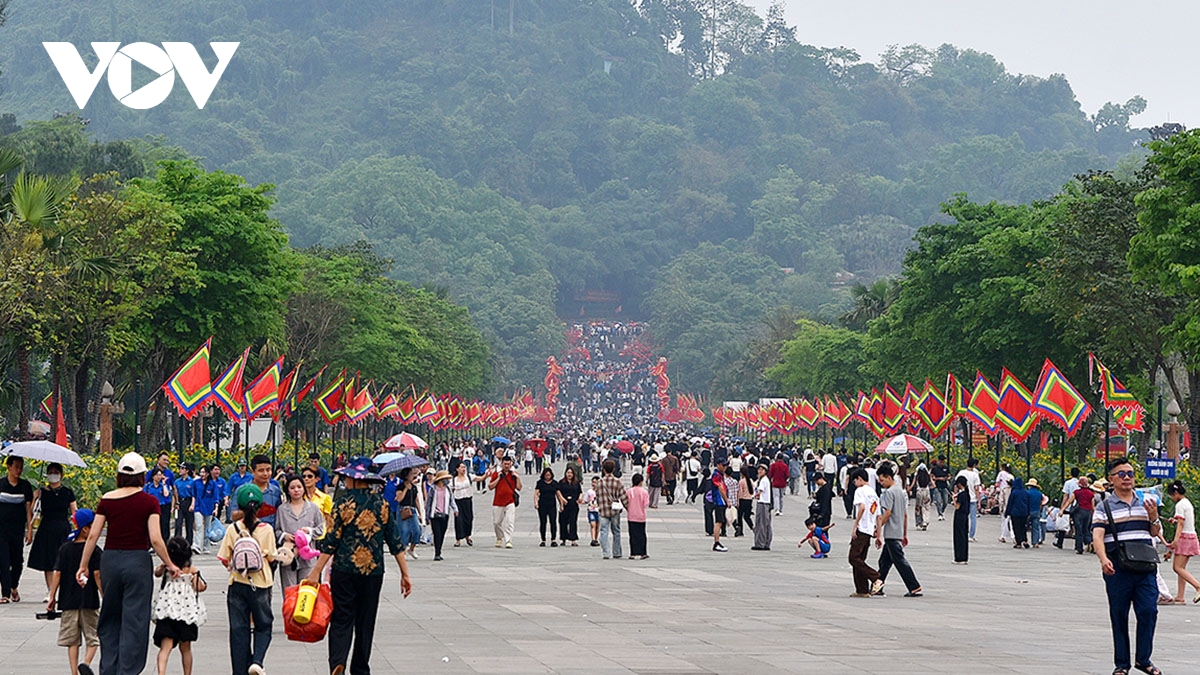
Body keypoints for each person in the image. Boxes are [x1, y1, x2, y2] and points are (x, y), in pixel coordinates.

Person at [305, 457, 413, 675]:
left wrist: (316, 571)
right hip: (372, 572)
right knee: (366, 621)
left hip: (344, 570)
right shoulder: (381, 504)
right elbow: (395, 541)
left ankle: (338, 660)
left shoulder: (342, 504)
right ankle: (360, 668)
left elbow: (331, 541)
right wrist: (405, 574)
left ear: (354, 479)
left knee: (342, 618)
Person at [78, 452, 180, 675]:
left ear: (119, 475)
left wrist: (83, 565)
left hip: (111, 561)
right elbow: (155, 538)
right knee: (135, 619)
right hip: (137, 561)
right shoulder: (149, 502)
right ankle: (128, 671)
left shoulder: (107, 499)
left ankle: (108, 669)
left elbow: (94, 535)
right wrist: (170, 564)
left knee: (111, 615)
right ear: (143, 476)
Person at [1092, 458, 1162, 675]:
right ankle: (1122, 664)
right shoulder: (1104, 506)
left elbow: (1154, 532)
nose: (1127, 478)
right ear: (1111, 480)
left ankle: (1144, 659)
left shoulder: (1146, 501)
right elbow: (1097, 534)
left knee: (1148, 611)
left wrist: (1154, 517)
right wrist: (1103, 559)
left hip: (1145, 566)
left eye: (1130, 473)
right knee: (1119, 614)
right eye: (1121, 474)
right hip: (1118, 566)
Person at [218, 484, 277, 675]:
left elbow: (224, 559)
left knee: (238, 631)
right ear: (260, 506)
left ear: (239, 507)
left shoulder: (233, 529)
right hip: (260, 584)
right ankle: (257, 662)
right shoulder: (266, 529)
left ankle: (240, 672)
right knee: (263, 625)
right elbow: (271, 558)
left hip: (237, 583)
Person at [46, 508, 101, 675]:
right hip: (89, 600)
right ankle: (85, 662)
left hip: (68, 601)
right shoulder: (95, 550)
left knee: (72, 641)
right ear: (85, 529)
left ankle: (74, 672)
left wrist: (52, 596)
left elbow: (57, 573)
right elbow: (97, 574)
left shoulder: (65, 549)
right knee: (94, 637)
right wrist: (104, 593)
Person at [153, 537, 206, 675]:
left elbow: (156, 573)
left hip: (168, 609)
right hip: (186, 612)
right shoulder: (191, 570)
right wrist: (195, 575)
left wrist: (166, 564)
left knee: (165, 646)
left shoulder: (167, 569)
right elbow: (200, 587)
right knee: (186, 647)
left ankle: (161, 673)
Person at [29, 462, 77, 602]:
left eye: (56, 472)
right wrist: (35, 497)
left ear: (61, 474)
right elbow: (33, 512)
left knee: (63, 560)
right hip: (46, 528)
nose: (53, 475)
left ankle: (63, 589)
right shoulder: (42, 492)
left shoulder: (68, 492)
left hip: (63, 527)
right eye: (51, 472)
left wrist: (77, 529)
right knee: (48, 561)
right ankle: (51, 591)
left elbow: (74, 511)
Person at [875, 464, 921, 597]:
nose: (881, 484)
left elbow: (887, 513)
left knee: (899, 561)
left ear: (889, 477)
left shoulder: (889, 493)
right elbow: (905, 515)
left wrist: (878, 528)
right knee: (884, 562)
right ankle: (878, 586)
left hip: (891, 532)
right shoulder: (901, 492)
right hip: (898, 531)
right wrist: (905, 533)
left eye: (882, 480)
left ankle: (914, 586)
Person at [276, 474, 325, 589]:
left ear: (303, 488)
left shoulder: (313, 508)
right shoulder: (282, 510)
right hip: (289, 556)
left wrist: (309, 532)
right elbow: (276, 530)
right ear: (287, 491)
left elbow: (321, 528)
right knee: (289, 591)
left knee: (307, 591)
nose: (296, 490)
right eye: (292, 488)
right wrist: (284, 536)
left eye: (299, 487)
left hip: (308, 557)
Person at [848, 469, 882, 598]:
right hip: (869, 531)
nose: (854, 483)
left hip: (862, 529)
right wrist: (879, 535)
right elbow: (879, 516)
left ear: (860, 479)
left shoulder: (860, 491)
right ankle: (862, 590)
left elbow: (861, 507)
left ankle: (876, 578)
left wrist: (855, 525)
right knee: (860, 560)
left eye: (855, 480)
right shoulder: (873, 493)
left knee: (853, 558)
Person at [1165, 480, 1200, 604]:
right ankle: (1180, 596)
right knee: (1182, 568)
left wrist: (1175, 541)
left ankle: (1198, 587)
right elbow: (1182, 520)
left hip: (1184, 538)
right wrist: (1174, 520)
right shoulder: (1187, 502)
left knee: (1177, 567)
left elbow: (1181, 524)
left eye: (1171, 495)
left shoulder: (1179, 505)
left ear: (1175, 493)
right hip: (1192, 536)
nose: (1171, 498)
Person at [231, 454, 282, 531]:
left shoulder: (275, 491)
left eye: (268, 470)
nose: (265, 474)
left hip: (269, 535)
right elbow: (233, 516)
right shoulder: (242, 491)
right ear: (253, 471)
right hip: (248, 535)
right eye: (261, 470)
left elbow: (279, 516)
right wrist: (250, 509)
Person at [595, 459, 628, 560]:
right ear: (613, 469)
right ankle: (617, 552)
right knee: (616, 531)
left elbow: (598, 496)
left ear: (604, 470)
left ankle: (606, 553)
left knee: (603, 531)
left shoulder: (600, 482)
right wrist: (628, 508)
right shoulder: (617, 482)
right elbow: (623, 497)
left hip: (603, 510)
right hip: (615, 510)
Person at [488, 455, 522, 548]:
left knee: (509, 521)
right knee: (496, 522)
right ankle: (499, 537)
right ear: (502, 464)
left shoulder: (513, 474)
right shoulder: (497, 474)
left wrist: (517, 478)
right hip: (498, 501)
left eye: (508, 464)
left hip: (510, 501)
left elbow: (519, 487)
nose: (507, 466)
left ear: (511, 464)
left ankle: (508, 540)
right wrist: (499, 478)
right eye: (505, 464)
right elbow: (490, 487)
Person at [1062, 476, 1097, 554]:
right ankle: (1090, 542)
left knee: (1078, 530)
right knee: (1086, 529)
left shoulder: (1077, 492)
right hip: (1088, 512)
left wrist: (1062, 510)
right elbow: (1092, 506)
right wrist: (1094, 515)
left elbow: (1069, 501)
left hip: (1079, 512)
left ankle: (1079, 548)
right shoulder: (1091, 494)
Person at [427, 470, 457, 561]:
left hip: (445, 514)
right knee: (437, 533)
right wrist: (427, 516)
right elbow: (429, 502)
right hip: (435, 514)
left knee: (442, 533)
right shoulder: (433, 489)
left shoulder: (447, 489)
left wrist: (455, 509)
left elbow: (451, 500)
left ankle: (439, 550)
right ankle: (437, 552)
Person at [954, 458, 982, 540]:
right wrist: (979, 500)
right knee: (973, 517)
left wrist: (955, 494)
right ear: (974, 465)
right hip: (972, 498)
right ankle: (971, 535)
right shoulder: (975, 475)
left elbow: (956, 484)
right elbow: (976, 488)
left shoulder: (961, 473)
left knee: (963, 516)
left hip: (962, 497)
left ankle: (963, 532)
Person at [451, 462, 477, 547]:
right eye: (461, 467)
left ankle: (467, 536)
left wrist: (487, 475)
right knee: (458, 520)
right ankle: (458, 539)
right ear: (457, 469)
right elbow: (450, 490)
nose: (463, 469)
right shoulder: (453, 480)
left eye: (464, 467)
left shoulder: (468, 477)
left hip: (467, 500)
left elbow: (479, 478)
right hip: (458, 501)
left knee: (469, 518)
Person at [145, 468, 174, 544]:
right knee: (152, 525)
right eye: (157, 475)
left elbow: (166, 494)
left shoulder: (163, 486)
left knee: (163, 525)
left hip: (162, 507)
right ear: (153, 476)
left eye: (160, 475)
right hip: (151, 507)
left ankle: (164, 542)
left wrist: (164, 484)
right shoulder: (148, 487)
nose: (159, 477)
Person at [173, 463, 196, 548]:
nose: (180, 470)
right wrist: (175, 503)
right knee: (178, 523)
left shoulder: (192, 482)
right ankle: (177, 541)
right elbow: (175, 494)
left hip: (188, 502)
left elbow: (194, 494)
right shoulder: (177, 482)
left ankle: (189, 542)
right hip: (180, 502)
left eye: (183, 468)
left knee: (189, 523)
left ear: (187, 471)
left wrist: (192, 504)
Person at [557, 467, 582, 547]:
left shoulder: (576, 483)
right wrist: (561, 501)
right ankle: (563, 539)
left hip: (574, 504)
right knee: (563, 522)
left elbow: (580, 492)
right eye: (568, 473)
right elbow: (558, 492)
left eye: (571, 473)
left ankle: (573, 539)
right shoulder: (561, 482)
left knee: (573, 522)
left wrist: (580, 498)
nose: (569, 474)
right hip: (564, 504)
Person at [627, 473, 650, 559]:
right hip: (641, 516)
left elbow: (626, 502)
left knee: (632, 535)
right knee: (642, 535)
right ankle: (643, 553)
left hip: (631, 516)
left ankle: (633, 553)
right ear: (641, 482)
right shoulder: (644, 492)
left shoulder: (629, 491)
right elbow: (646, 504)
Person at [535, 467, 559, 547]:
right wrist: (536, 503)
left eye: (549, 475)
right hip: (542, 504)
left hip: (552, 504)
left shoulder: (555, 483)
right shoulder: (540, 483)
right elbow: (536, 493)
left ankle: (553, 539)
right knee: (543, 522)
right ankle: (543, 540)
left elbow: (558, 494)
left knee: (553, 521)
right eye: (546, 475)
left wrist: (562, 503)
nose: (547, 477)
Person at [1005, 477, 1032, 549]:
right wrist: (1028, 512)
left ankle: (1018, 542)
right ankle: (1024, 540)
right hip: (1024, 512)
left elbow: (1010, 503)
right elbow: (1028, 503)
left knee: (1016, 527)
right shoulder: (1025, 492)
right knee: (1023, 527)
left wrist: (1007, 512)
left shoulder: (1014, 492)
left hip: (1015, 513)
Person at [752, 463, 773, 551]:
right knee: (766, 524)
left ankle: (760, 543)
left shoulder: (763, 480)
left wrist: (753, 496)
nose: (760, 471)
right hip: (766, 503)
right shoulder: (764, 480)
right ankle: (766, 542)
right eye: (759, 469)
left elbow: (759, 492)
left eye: (762, 470)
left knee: (761, 524)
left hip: (763, 503)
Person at [952, 475, 970, 564]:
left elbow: (957, 506)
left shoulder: (961, 495)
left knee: (958, 536)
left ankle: (958, 557)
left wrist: (954, 499)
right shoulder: (967, 494)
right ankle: (964, 557)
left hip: (959, 517)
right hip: (965, 517)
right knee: (964, 536)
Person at [735, 466, 755, 537]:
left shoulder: (741, 481)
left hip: (743, 500)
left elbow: (739, 493)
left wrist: (738, 502)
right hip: (749, 500)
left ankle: (740, 531)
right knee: (747, 516)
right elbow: (753, 491)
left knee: (740, 516)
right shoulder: (750, 480)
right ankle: (752, 527)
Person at [911, 462, 931, 531]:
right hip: (926, 491)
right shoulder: (927, 474)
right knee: (926, 507)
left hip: (919, 491)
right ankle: (925, 521)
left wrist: (909, 489)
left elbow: (913, 483)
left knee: (918, 508)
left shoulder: (917, 474)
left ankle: (918, 523)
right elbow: (933, 484)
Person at [584, 476, 601, 546]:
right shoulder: (589, 492)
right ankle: (593, 539)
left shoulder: (601, 492)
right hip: (591, 510)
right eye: (593, 482)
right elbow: (586, 500)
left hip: (599, 510)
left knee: (597, 526)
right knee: (592, 524)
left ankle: (596, 539)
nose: (594, 484)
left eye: (596, 482)